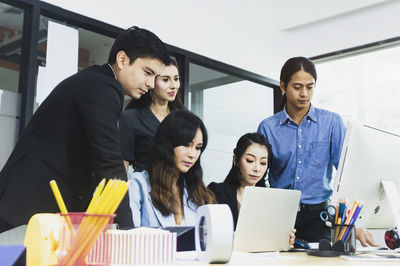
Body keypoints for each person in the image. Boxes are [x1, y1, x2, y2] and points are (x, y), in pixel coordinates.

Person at [0, 26, 170, 233]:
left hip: (29, 208)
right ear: (123, 60)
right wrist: (127, 232)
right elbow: (109, 163)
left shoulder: (95, 81)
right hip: (23, 209)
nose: (151, 84)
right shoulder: (103, 87)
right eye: (147, 72)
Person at [257, 56, 378, 246]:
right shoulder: (267, 127)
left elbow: (347, 175)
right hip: (280, 216)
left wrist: (350, 222)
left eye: (310, 87)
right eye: (297, 87)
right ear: (283, 87)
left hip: (320, 218)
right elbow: (258, 176)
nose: (304, 93)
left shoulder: (332, 123)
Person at [128, 109, 216, 227]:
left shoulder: (196, 191)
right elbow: (129, 237)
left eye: (198, 148)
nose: (192, 155)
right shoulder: (137, 184)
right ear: (167, 144)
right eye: (186, 145)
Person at [208, 133, 295, 247]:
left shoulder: (271, 200)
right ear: (236, 160)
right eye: (250, 160)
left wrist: (284, 240)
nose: (257, 168)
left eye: (263, 163)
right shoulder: (215, 192)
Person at [119, 58, 184, 173]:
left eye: (176, 79)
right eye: (165, 80)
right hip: (145, 187)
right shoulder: (131, 118)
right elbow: (122, 164)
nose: (174, 85)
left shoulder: (184, 118)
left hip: (178, 187)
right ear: (151, 82)